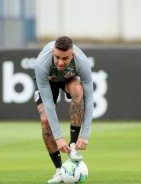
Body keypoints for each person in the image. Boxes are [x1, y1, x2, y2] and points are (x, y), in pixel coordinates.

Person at [34, 36, 94, 183]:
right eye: (57, 57)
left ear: (72, 55)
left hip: (68, 80)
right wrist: (58, 137)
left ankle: (74, 147)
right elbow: (48, 104)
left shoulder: (82, 62)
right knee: (45, 121)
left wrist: (85, 135)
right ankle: (59, 171)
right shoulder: (41, 64)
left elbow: (90, 100)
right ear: (53, 52)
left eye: (65, 58)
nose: (60, 62)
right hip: (49, 81)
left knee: (78, 90)